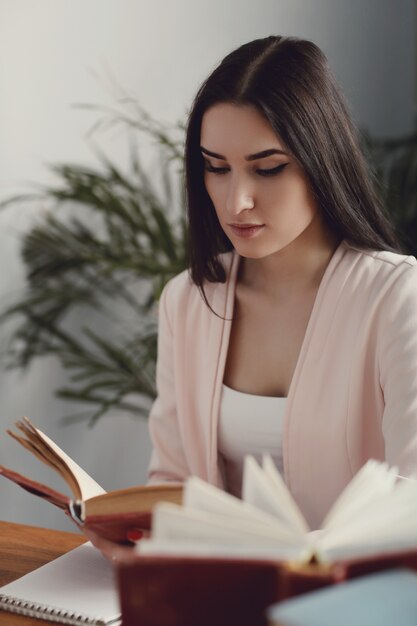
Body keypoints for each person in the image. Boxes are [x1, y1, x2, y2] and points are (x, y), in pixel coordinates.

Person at [146, 35, 417, 531]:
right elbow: (172, 483)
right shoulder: (186, 301)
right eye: (215, 168)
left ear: (322, 163)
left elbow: (412, 500)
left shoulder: (398, 298)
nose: (236, 202)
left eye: (267, 169)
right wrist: (135, 535)